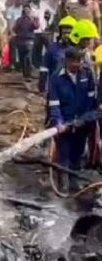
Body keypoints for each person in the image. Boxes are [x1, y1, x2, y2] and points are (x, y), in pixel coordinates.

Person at [48, 48, 97, 191]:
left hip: (82, 123)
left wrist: (85, 119)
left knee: (78, 153)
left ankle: (74, 182)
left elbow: (91, 101)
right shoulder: (56, 78)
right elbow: (54, 104)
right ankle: (62, 183)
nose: (78, 64)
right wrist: (59, 122)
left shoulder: (87, 74)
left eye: (80, 61)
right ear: (67, 61)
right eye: (74, 61)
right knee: (63, 153)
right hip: (64, 122)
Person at [40, 16, 77, 94]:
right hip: (55, 89)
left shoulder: (77, 50)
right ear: (60, 33)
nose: (66, 35)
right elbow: (44, 67)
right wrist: (42, 83)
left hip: (72, 90)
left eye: (69, 33)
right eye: (64, 32)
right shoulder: (52, 48)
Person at [13, 4, 39, 79]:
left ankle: (28, 74)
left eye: (28, 10)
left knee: (28, 57)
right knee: (21, 58)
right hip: (20, 40)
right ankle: (25, 74)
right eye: (25, 10)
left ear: (30, 11)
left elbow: (36, 26)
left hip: (29, 40)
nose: (27, 11)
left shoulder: (34, 19)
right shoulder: (19, 19)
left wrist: (32, 19)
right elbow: (15, 29)